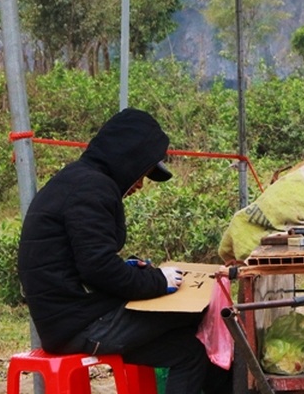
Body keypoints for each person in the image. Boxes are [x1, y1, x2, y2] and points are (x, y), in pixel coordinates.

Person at [18, 108, 230, 394]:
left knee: (190, 351)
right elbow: (98, 268)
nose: (140, 185)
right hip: (80, 325)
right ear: (127, 161)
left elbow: (85, 261)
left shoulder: (77, 180)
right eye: (141, 174)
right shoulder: (92, 188)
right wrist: (158, 281)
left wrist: (130, 270)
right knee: (206, 312)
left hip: (69, 320)